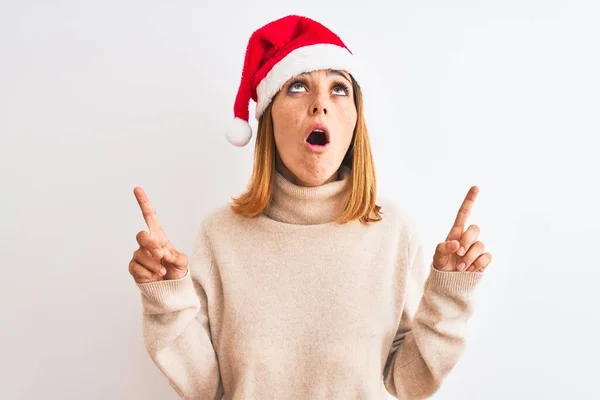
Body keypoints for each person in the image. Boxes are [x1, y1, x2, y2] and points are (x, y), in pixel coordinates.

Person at [129, 14, 492, 400]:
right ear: (268, 116)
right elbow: (204, 386)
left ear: (355, 120)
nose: (320, 104)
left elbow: (408, 382)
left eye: (339, 89)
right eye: (298, 86)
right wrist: (166, 298)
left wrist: (448, 294)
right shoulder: (220, 235)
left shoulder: (394, 232)